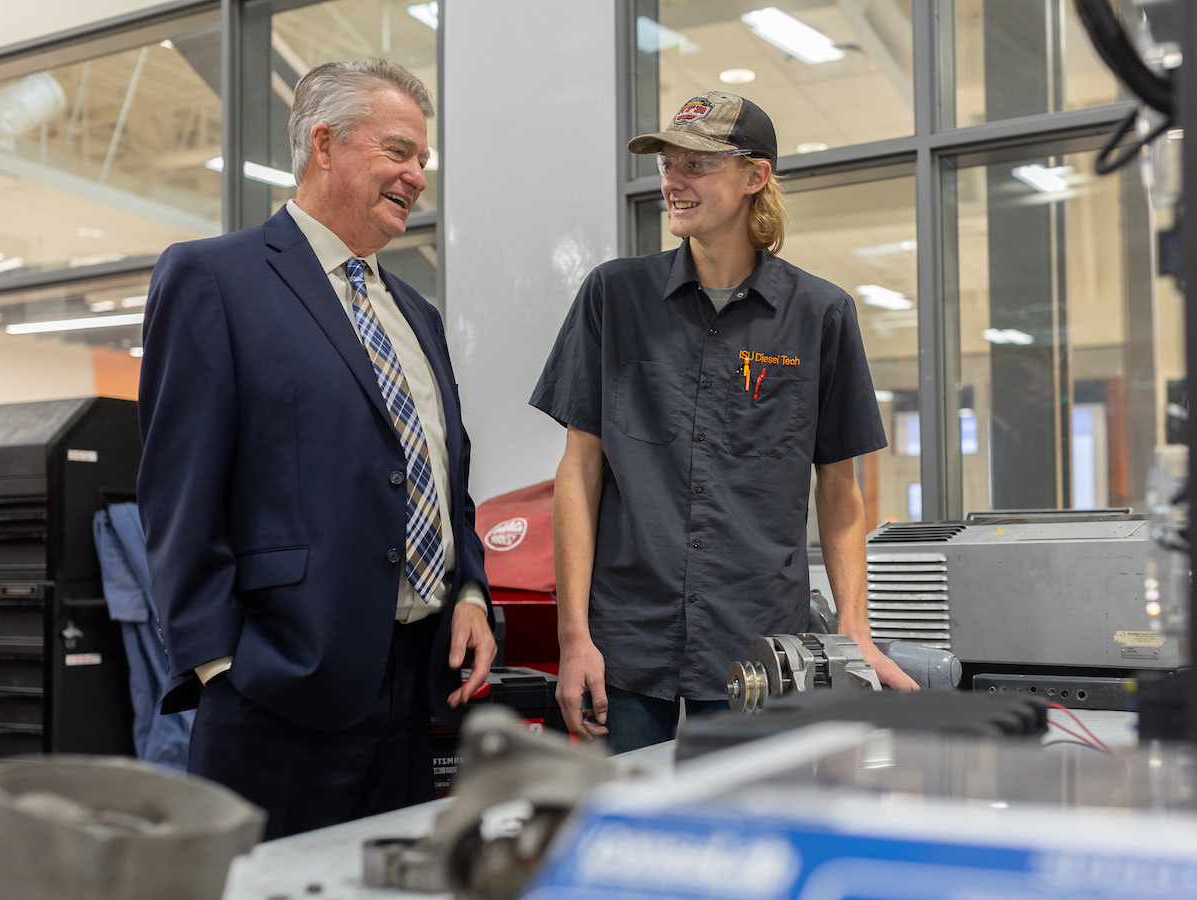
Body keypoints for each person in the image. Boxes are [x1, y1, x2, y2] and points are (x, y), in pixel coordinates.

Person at [138, 59, 495, 838]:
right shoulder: (213, 279)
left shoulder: (418, 315)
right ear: (325, 145)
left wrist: (470, 590)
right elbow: (176, 491)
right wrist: (221, 668)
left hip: (410, 686)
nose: (416, 176)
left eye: (423, 161)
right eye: (399, 152)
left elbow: (444, 478)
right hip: (277, 692)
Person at [530, 91, 918, 753]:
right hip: (627, 641)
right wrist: (574, 638)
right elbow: (579, 471)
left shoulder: (821, 314)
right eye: (668, 164)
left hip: (760, 646)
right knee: (630, 838)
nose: (673, 182)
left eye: (697, 166)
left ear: (754, 177)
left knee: (747, 835)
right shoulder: (613, 296)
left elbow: (839, 489)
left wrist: (855, 626)